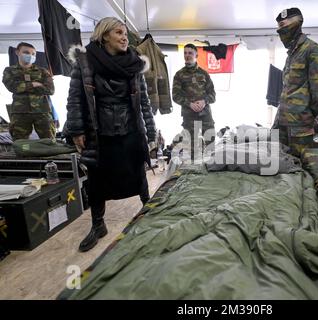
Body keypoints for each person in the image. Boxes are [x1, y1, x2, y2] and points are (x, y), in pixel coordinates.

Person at [66, 17, 156, 252]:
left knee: (138, 171)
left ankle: (150, 215)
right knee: (97, 179)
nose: (125, 37)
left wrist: (151, 130)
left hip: (130, 128)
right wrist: (76, 130)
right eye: (119, 32)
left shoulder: (135, 62)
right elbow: (75, 98)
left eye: (125, 33)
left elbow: (143, 101)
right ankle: (98, 225)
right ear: (104, 35)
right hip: (99, 131)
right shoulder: (85, 61)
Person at [272, 8, 318, 156]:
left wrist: (308, 114)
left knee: (302, 167)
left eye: (283, 25)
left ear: (297, 23)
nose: (280, 30)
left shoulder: (312, 49)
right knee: (281, 167)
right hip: (282, 122)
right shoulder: (292, 54)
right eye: (278, 27)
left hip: (299, 126)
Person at [2, 42, 55, 140]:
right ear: (17, 52)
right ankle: (25, 155)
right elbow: (12, 87)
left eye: (33, 54)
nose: (30, 56)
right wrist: (34, 84)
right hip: (20, 113)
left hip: (42, 112)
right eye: (26, 52)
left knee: (49, 142)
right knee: (21, 144)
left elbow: (50, 90)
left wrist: (23, 86)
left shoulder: (43, 71)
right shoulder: (9, 71)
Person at [172, 44, 216, 159]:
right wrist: (189, 104)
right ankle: (193, 172)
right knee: (191, 148)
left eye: (190, 53)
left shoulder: (204, 73)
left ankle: (211, 171)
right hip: (189, 115)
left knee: (210, 145)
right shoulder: (179, 75)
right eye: (185, 53)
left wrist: (204, 101)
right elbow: (175, 96)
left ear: (196, 55)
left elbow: (213, 95)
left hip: (205, 114)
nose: (187, 55)